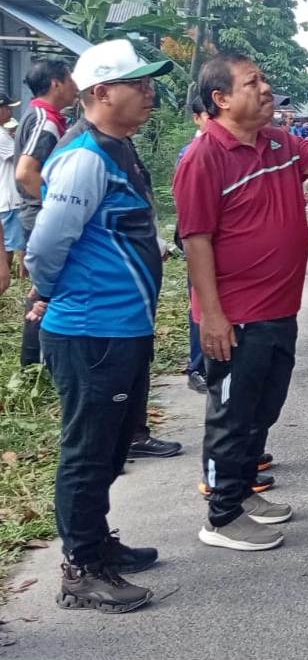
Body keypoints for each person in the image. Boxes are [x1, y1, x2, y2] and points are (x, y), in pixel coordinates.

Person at [174, 53, 308, 551]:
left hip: (277, 308)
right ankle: (221, 517)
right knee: (231, 415)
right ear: (221, 99)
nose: (266, 88)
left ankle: (243, 493)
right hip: (236, 315)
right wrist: (214, 316)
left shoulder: (278, 143)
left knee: (261, 408)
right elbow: (196, 239)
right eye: (253, 82)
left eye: (265, 78)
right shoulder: (205, 157)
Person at [25, 40, 175, 613]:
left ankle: (97, 543)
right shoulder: (85, 157)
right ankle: (82, 569)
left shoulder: (121, 149)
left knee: (112, 448)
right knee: (88, 451)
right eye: (137, 83)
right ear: (101, 92)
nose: (148, 92)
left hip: (122, 327)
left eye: (148, 82)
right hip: (91, 329)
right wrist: (46, 292)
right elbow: (46, 245)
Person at [16, 57, 78, 365]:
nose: (75, 86)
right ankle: (34, 361)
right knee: (44, 288)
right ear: (56, 83)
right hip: (39, 214)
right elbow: (25, 173)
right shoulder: (46, 119)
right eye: (70, 79)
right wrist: (58, 205)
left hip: (35, 213)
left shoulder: (39, 115)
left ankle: (35, 362)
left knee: (43, 286)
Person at [176, 91, 210, 394]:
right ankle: (197, 366)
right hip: (199, 239)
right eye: (206, 117)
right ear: (197, 118)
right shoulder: (191, 152)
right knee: (199, 302)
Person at [0, 99, 24, 281]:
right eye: (7, 108)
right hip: (10, 198)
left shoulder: (3, 134)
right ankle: (18, 280)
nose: (10, 112)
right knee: (16, 243)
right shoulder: (1, 135)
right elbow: (20, 158)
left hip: (6, 196)